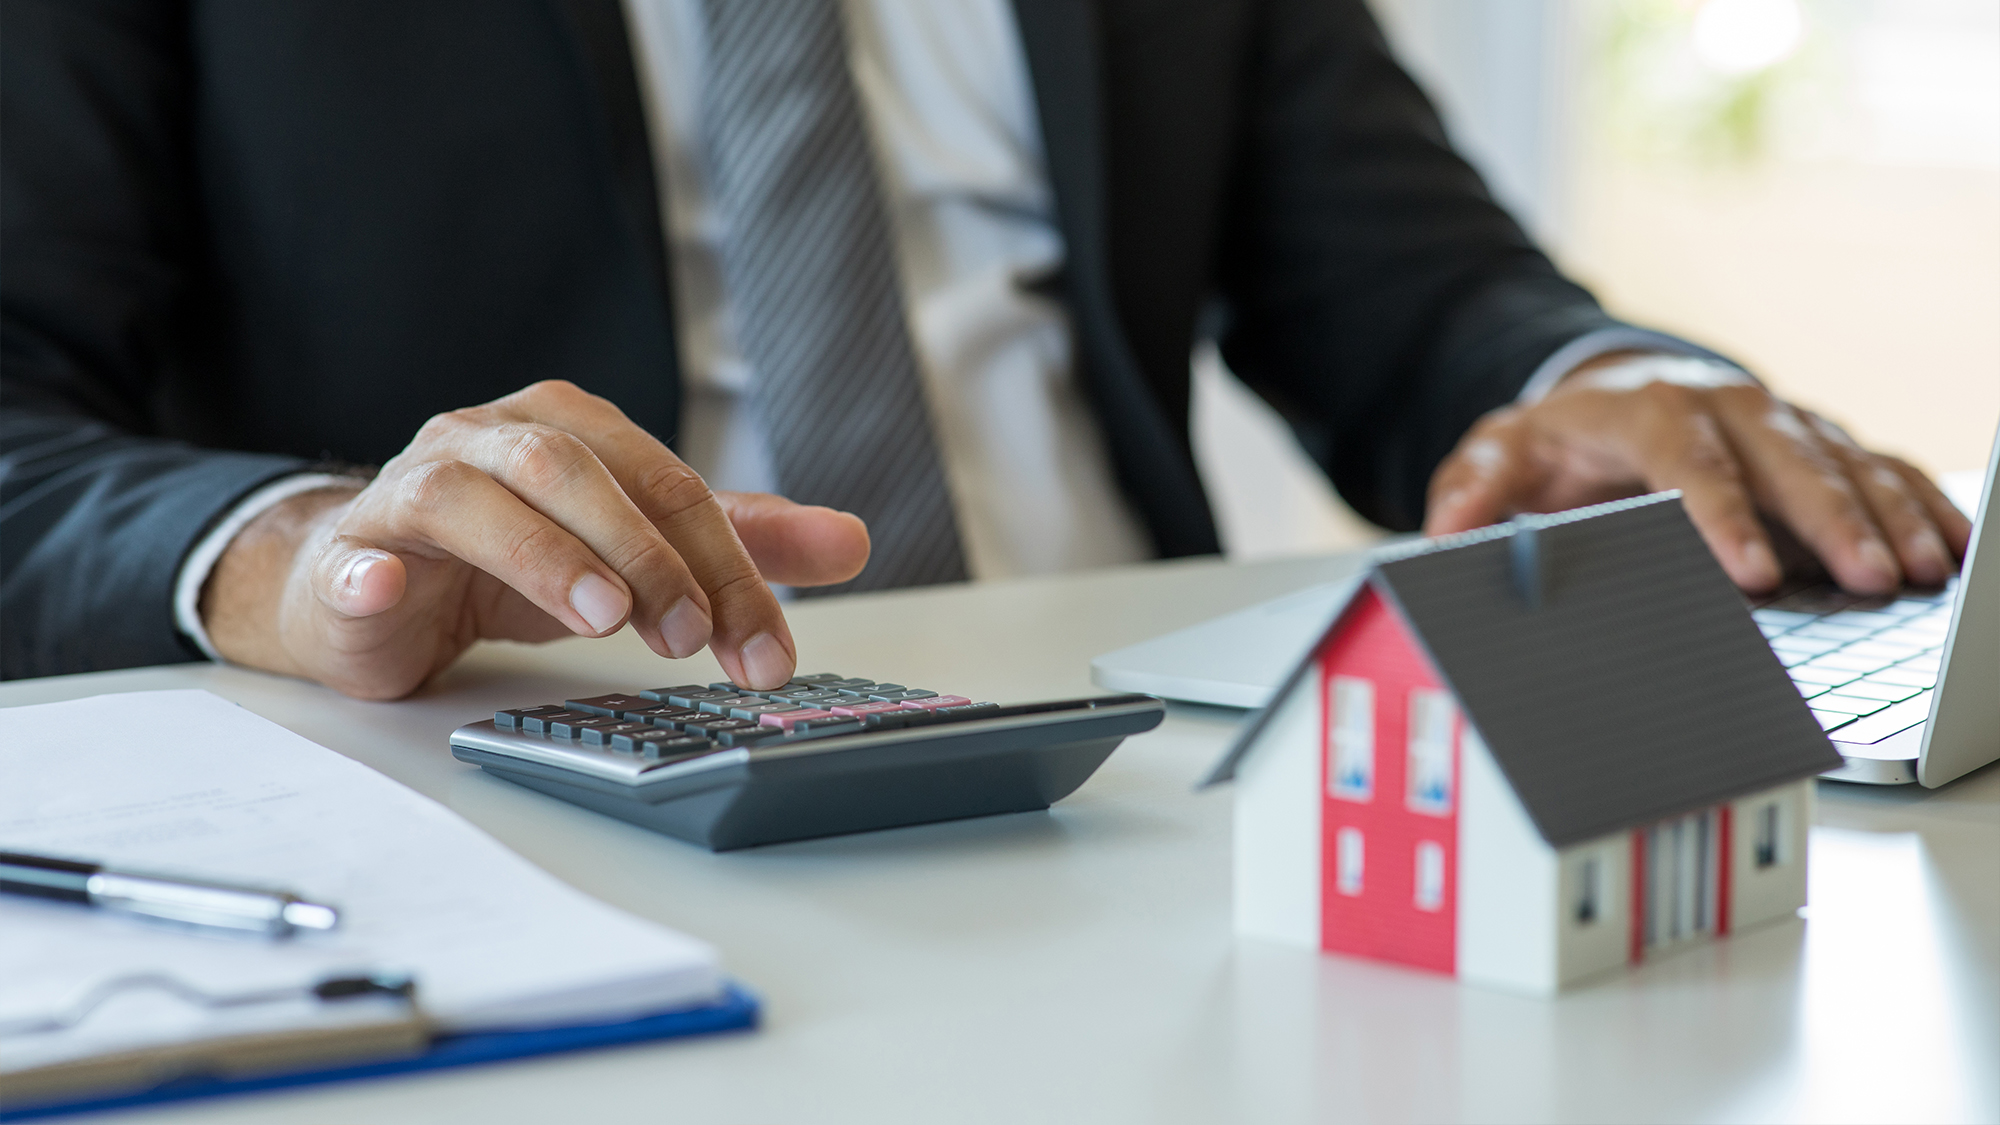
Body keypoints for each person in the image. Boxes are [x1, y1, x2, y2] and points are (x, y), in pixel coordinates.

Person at [1, 0, 1968, 698]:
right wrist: (297, 549)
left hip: (1139, 753)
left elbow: (1420, 292)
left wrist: (1579, 389)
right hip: (523, 764)